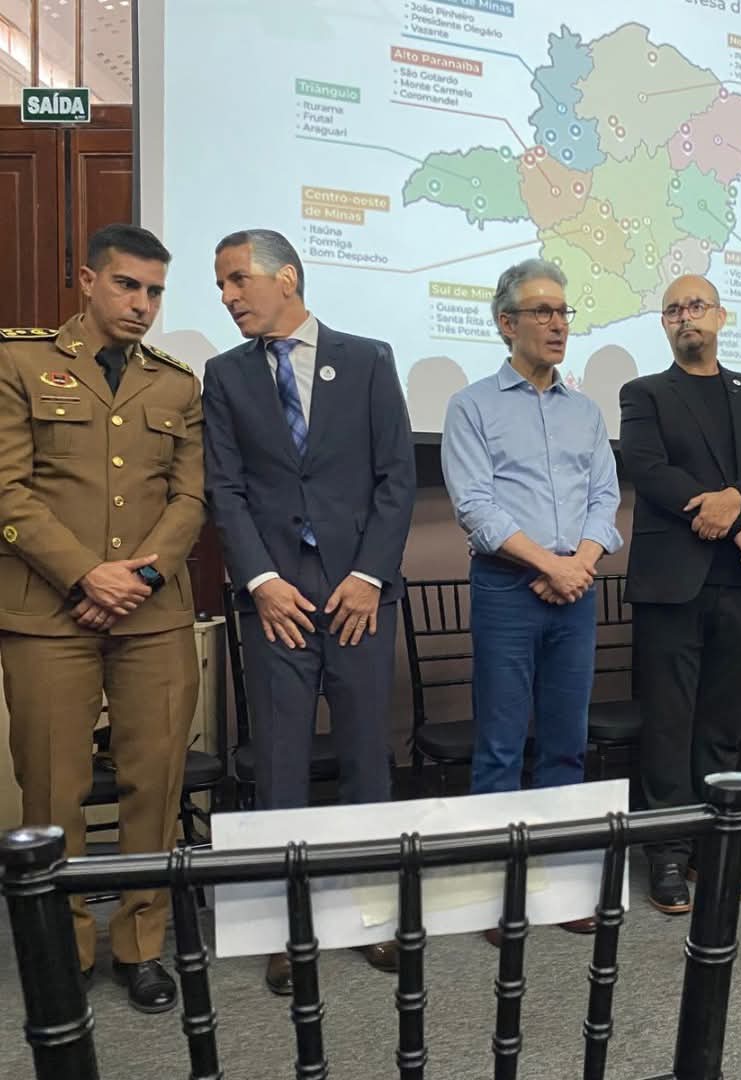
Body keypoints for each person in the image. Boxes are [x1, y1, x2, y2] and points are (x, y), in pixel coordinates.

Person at [202, 229, 415, 991]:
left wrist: (368, 575)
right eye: (220, 285)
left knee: (365, 757)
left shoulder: (368, 359)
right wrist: (261, 580)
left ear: (286, 277)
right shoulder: (225, 374)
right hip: (277, 601)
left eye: (237, 280)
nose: (227, 297)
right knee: (280, 765)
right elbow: (224, 488)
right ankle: (285, 929)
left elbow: (397, 477)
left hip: (359, 595)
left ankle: (372, 915)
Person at [0, 223, 204, 1012]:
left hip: (153, 615)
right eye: (127, 285)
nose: (142, 304)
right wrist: (88, 574)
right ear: (87, 281)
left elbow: (189, 499)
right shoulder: (19, 362)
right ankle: (66, 947)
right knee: (54, 788)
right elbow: (9, 489)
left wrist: (141, 576)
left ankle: (141, 945)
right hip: (49, 614)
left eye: (155, 291)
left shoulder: (176, 385)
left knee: (155, 784)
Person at [442, 259, 621, 941]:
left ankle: (562, 886)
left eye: (563, 312)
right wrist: (552, 565)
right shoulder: (472, 406)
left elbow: (605, 498)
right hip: (507, 589)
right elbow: (474, 505)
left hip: (575, 591)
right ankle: (498, 893)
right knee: (499, 745)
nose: (557, 324)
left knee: (566, 745)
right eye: (542, 312)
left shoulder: (585, 410)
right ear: (505, 323)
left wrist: (579, 565)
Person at [619, 274, 741, 913]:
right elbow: (648, 469)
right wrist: (737, 522)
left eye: (696, 306)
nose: (685, 317)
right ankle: (666, 853)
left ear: (722, 316)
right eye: (673, 310)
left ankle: (716, 849)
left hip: (739, 581)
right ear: (664, 325)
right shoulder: (644, 393)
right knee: (669, 724)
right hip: (673, 582)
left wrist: (737, 501)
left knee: (722, 724)